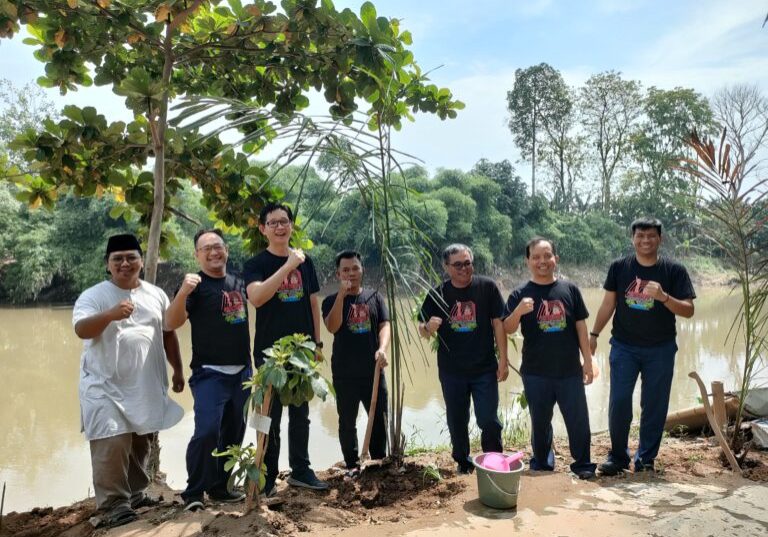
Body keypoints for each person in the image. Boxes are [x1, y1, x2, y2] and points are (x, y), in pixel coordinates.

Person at [72, 233, 184, 529]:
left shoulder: (156, 294)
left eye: (131, 257)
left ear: (141, 261)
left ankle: (134, 494)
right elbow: (82, 329)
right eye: (117, 258)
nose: (125, 263)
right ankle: (111, 505)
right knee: (112, 440)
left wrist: (178, 370)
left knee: (139, 441)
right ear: (108, 264)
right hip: (104, 386)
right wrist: (109, 314)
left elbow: (168, 332)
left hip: (143, 385)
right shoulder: (94, 296)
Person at [590, 217, 695, 475]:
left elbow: (689, 310)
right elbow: (607, 304)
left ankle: (645, 458)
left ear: (660, 239)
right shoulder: (619, 268)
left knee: (655, 405)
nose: (645, 240)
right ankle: (618, 457)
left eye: (651, 236)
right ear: (633, 238)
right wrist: (593, 334)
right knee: (619, 401)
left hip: (660, 349)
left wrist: (663, 297)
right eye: (640, 236)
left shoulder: (674, 271)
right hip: (624, 347)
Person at [243, 202, 329, 494]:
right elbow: (256, 298)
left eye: (285, 221)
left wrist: (316, 343)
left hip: (302, 351)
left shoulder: (308, 261)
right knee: (267, 415)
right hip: (269, 352)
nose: (280, 227)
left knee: (301, 412)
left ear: (292, 225)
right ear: (263, 228)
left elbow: (313, 303)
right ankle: (266, 475)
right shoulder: (255, 264)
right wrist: (288, 266)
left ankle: (301, 470)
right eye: (273, 223)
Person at [166, 229, 252, 511]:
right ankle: (194, 492)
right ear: (197, 255)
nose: (214, 252)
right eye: (207, 249)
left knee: (233, 432)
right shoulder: (195, 286)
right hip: (209, 373)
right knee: (206, 431)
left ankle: (220, 488)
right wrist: (183, 292)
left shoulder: (239, 281)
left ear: (226, 250)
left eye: (218, 246)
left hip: (242, 372)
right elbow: (171, 322)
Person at [504, 237, 597, 480]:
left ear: (556, 258)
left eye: (547, 256)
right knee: (540, 421)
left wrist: (587, 360)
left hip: (569, 370)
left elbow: (580, 327)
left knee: (578, 419)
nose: (542, 261)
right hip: (535, 371)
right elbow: (507, 328)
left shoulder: (570, 290)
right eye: (536, 257)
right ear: (528, 261)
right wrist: (518, 311)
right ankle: (543, 462)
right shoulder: (519, 294)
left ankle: (583, 464)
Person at [418, 244, 509, 474]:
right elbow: (422, 328)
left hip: (484, 368)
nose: (464, 268)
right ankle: (463, 462)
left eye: (467, 263)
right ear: (446, 267)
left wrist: (504, 359)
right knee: (457, 420)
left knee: (488, 419)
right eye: (457, 264)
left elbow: (498, 323)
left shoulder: (487, 287)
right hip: (452, 370)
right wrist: (428, 326)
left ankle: (493, 461)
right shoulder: (437, 293)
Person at [322, 250, 390, 476]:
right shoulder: (331, 300)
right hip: (344, 372)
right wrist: (342, 295)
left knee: (379, 417)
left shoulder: (375, 297)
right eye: (345, 270)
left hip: (373, 371)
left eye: (355, 268)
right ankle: (351, 465)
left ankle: (378, 461)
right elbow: (332, 327)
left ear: (363, 270)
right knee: (347, 421)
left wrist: (382, 349)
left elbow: (384, 325)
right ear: (338, 273)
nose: (351, 273)